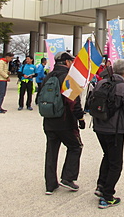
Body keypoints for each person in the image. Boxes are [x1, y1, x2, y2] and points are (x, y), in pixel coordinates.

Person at [92, 59, 124, 209]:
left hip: (99, 127)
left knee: (107, 156)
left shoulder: (101, 83)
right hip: (115, 130)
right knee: (116, 163)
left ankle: (101, 186)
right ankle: (107, 196)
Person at [41, 51, 85, 195]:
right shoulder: (68, 77)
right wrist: (80, 118)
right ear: (66, 62)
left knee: (51, 151)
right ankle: (68, 177)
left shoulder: (48, 76)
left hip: (49, 120)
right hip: (65, 121)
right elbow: (73, 101)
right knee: (75, 146)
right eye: (71, 61)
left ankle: (50, 184)